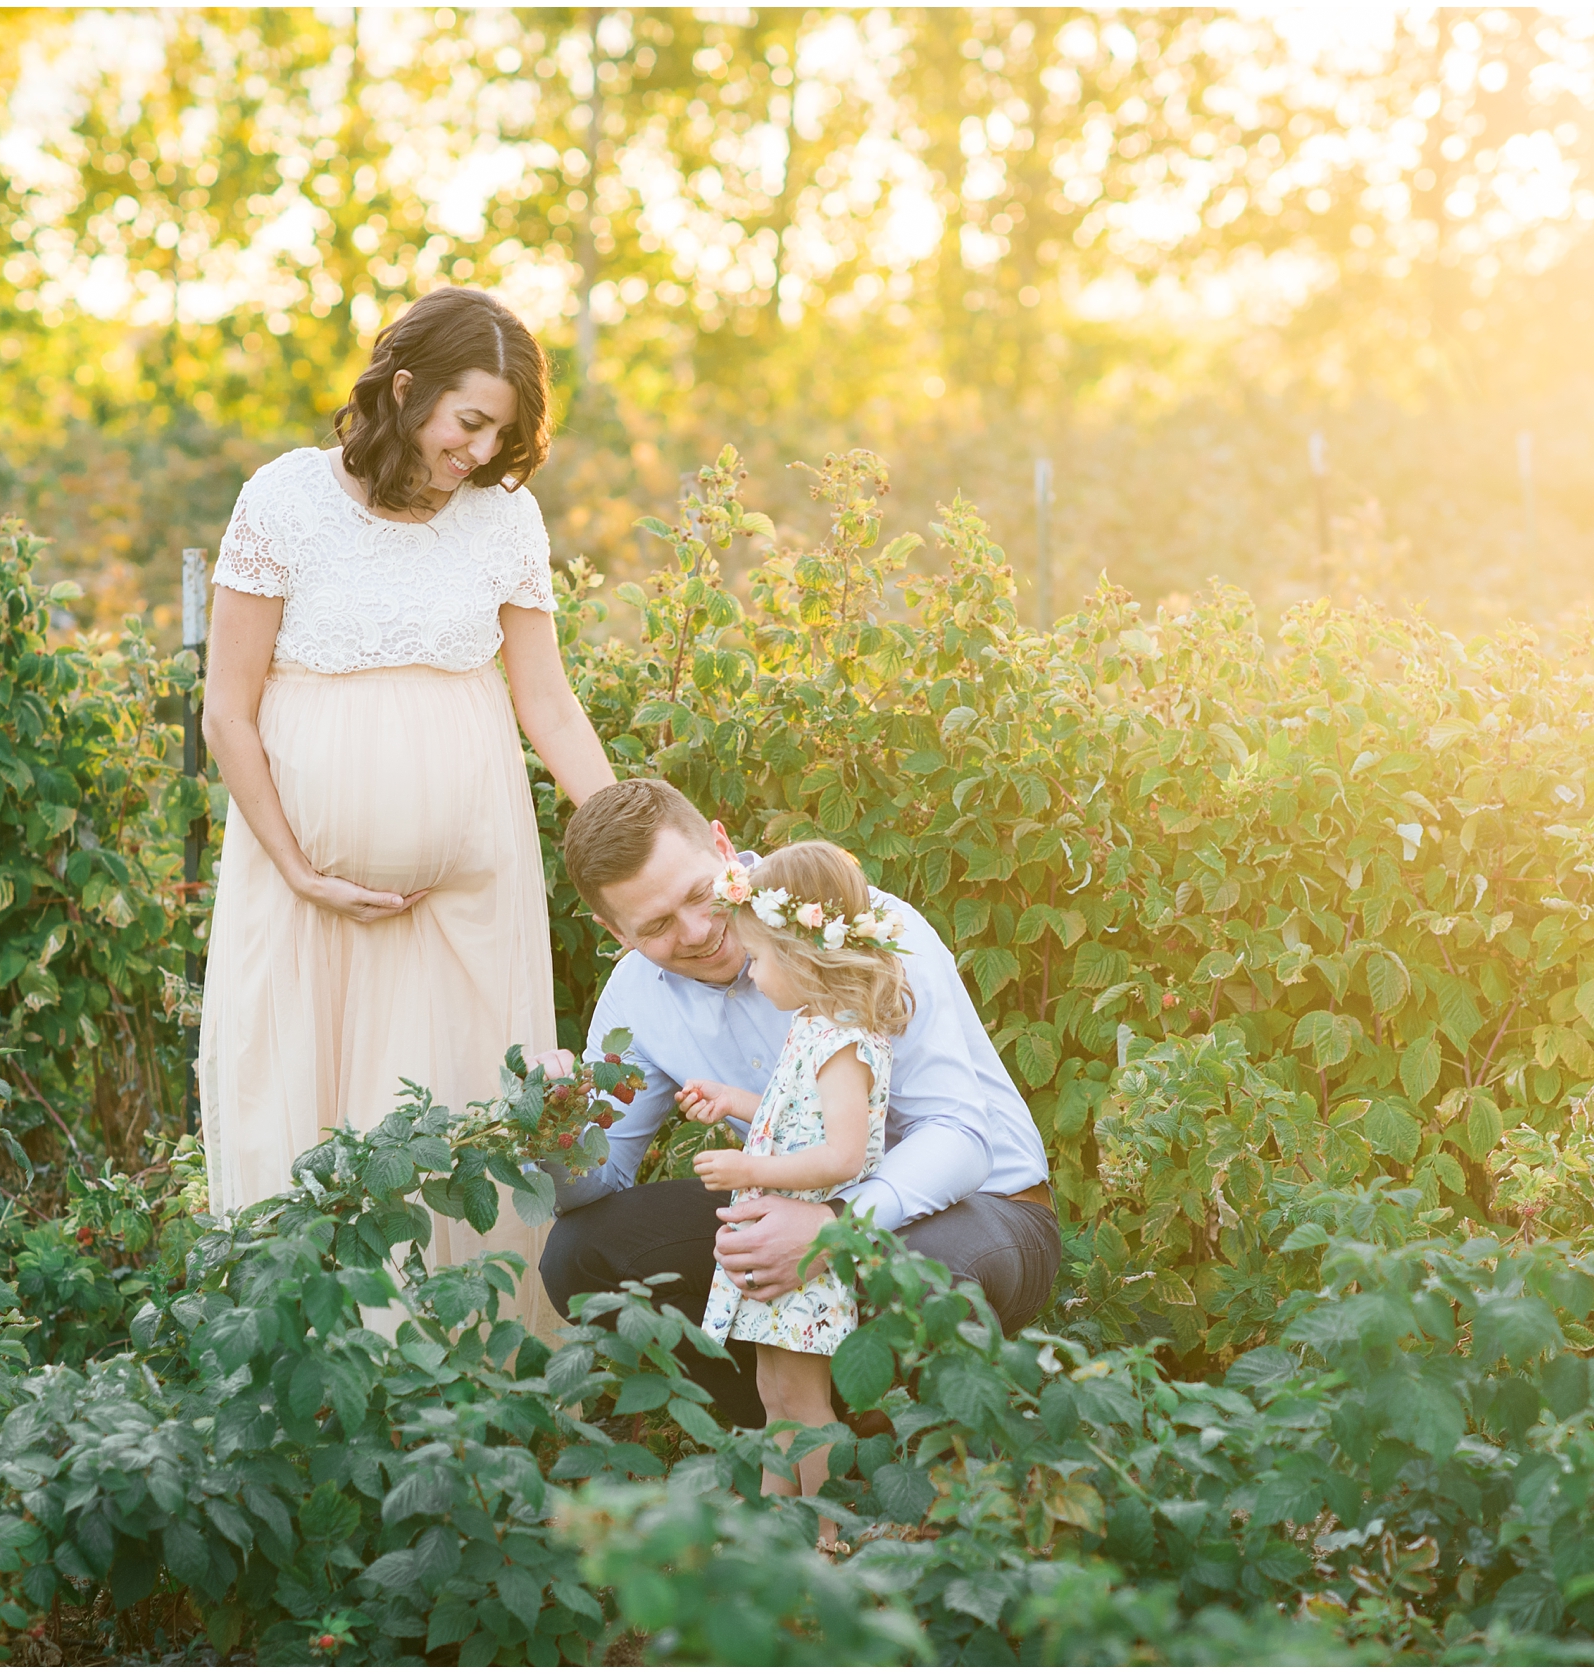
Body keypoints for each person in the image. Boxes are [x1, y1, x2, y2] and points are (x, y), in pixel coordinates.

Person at [196, 287, 615, 1336]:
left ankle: (467, 1376)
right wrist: (297, 866)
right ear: (401, 389)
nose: (480, 450)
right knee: (305, 1115)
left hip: (466, 900)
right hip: (303, 897)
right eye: (469, 421)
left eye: (502, 435)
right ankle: (310, 1378)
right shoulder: (285, 501)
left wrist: (626, 835)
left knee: (463, 1114)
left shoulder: (504, 520)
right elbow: (227, 714)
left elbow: (546, 703)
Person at [539, 779, 1059, 1425]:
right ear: (611, 928)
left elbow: (957, 1134)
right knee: (584, 1251)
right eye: (656, 926)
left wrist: (836, 1227)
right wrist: (555, 1127)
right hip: (798, 1201)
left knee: (923, 1275)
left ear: (724, 846)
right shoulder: (635, 996)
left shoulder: (864, 928)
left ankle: (908, 1449)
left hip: (980, 1211)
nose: (699, 933)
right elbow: (601, 1178)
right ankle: (779, 1442)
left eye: (701, 896)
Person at [682, 842, 906, 1544]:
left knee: (805, 1401)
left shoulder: (844, 1040)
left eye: (762, 959)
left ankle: (830, 1531)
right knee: (773, 1392)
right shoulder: (811, 1026)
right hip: (779, 1242)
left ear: (807, 957)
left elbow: (844, 1153)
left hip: (807, 1250)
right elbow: (793, 1117)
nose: (752, 973)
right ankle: (775, 1524)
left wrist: (748, 1172)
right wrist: (736, 1101)